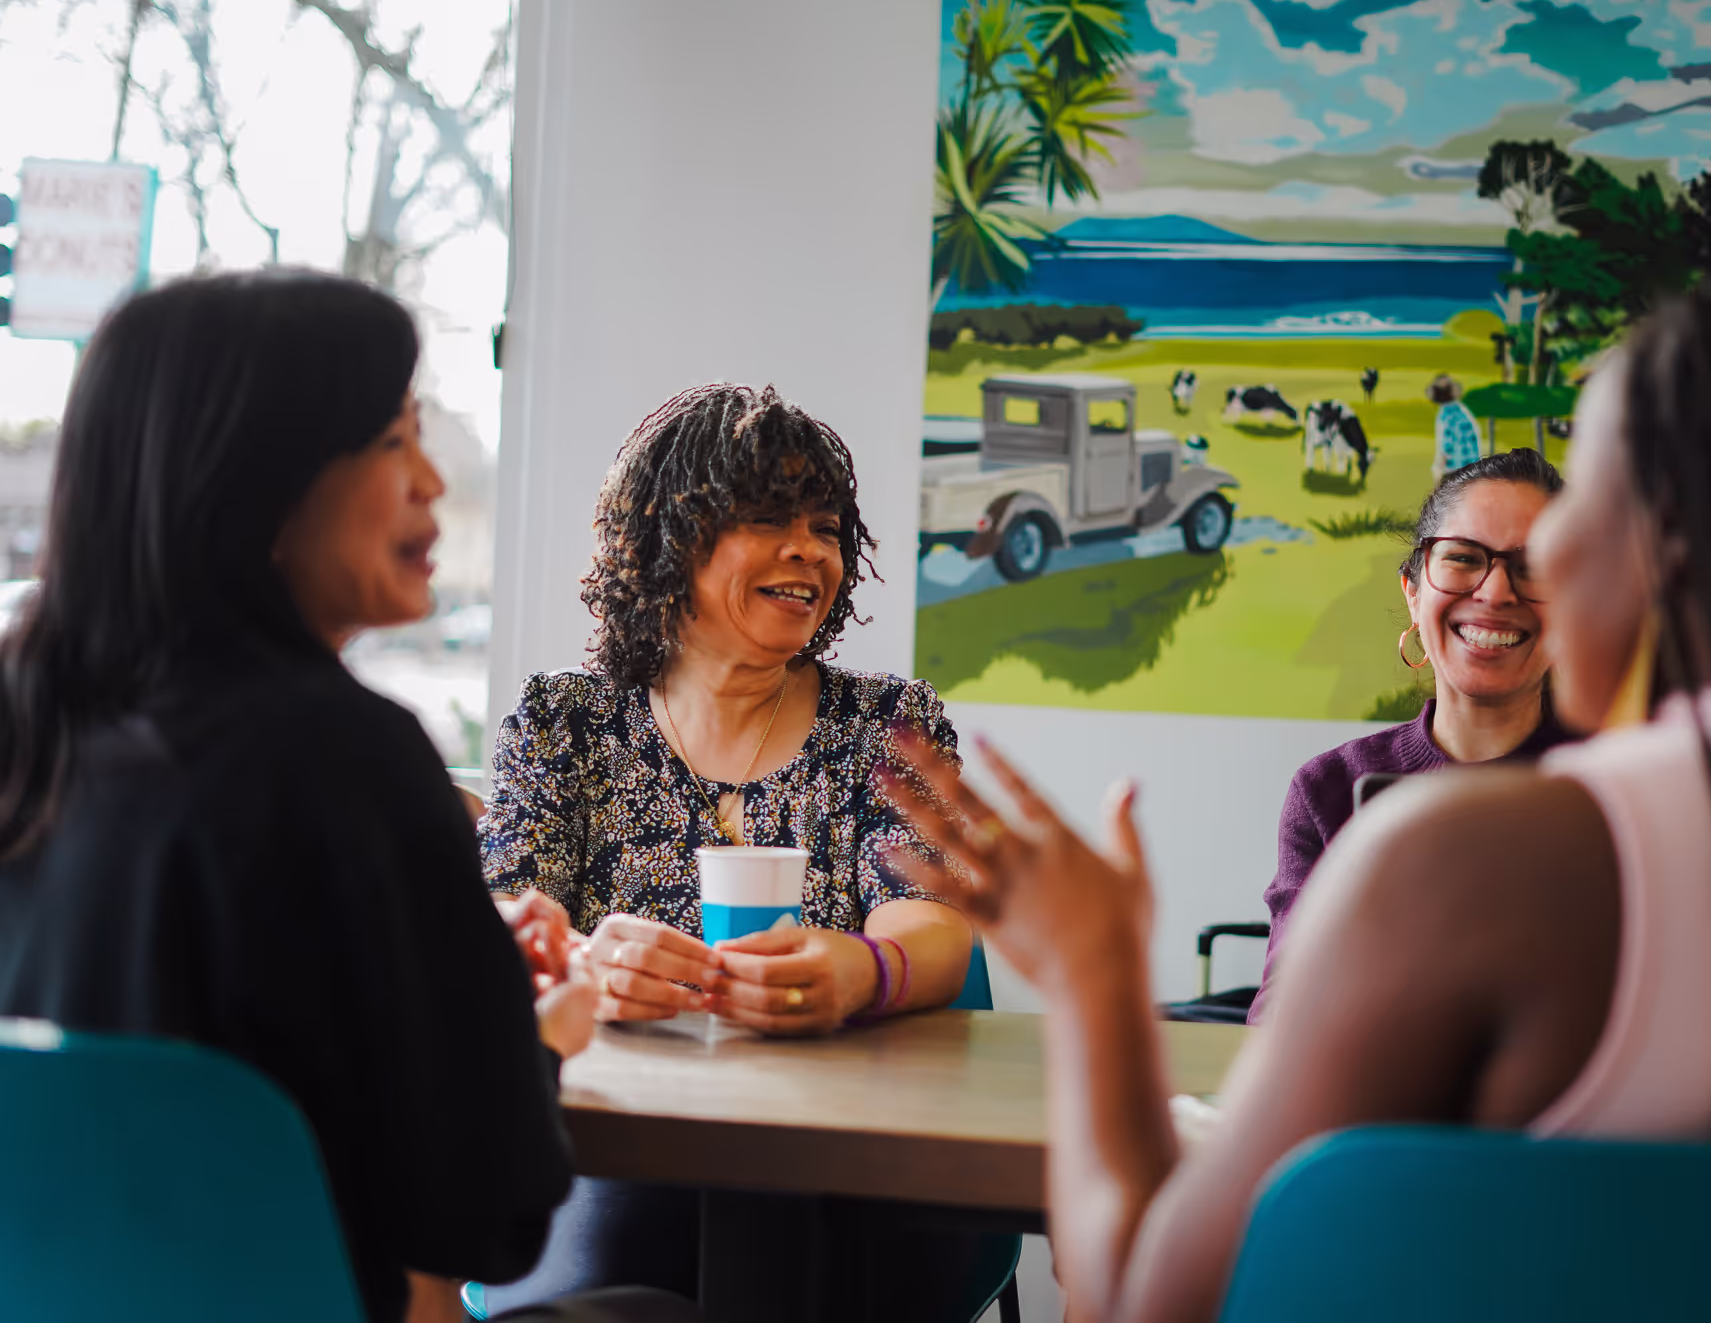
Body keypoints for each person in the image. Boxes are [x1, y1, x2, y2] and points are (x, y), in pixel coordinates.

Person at [885, 263, 1711, 1323]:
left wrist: (1093, 976)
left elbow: (1162, 1303)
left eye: (1570, 505)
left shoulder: (1479, 863)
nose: (1524, 578)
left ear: (1672, 543)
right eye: (1470, 556)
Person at [0, 272, 690, 1323]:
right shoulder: (349, 763)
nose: (431, 483)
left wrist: (454, 972)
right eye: (390, 442)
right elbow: (486, 1219)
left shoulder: (32, 726)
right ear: (255, 481)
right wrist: (533, 1032)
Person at [479, 383, 996, 1316]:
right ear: (668, 540)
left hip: (853, 1162)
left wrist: (862, 971)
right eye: (767, 518)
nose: (810, 550)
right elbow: (511, 925)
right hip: (618, 1162)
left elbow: (937, 931)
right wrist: (585, 969)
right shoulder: (564, 722)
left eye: (827, 526)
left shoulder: (889, 724)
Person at [1248, 449, 1572, 1021]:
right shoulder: (1329, 789)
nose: (1496, 592)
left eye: (1535, 564)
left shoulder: (1618, 782)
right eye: (1464, 558)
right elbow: (1282, 1018)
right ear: (1413, 592)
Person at [1427, 373, 1484, 482]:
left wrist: (1438, 472)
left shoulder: (1445, 414)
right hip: (1471, 467)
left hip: (1456, 470)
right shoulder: (1461, 410)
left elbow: (1446, 446)